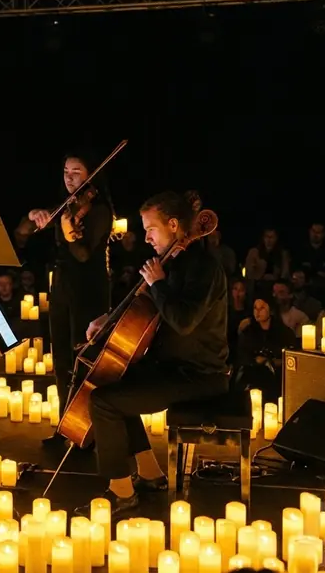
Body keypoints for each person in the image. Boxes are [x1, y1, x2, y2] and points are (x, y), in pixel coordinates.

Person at [75, 191, 230, 515]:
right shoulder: (174, 262)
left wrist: (158, 283)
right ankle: (150, 473)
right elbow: (145, 308)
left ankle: (120, 492)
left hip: (199, 375)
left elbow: (183, 321)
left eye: (151, 228)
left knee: (103, 403)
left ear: (173, 225)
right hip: (173, 367)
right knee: (115, 385)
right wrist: (109, 319)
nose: (145, 237)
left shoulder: (204, 268)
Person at [19, 152, 114, 446]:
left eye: (76, 171)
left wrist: (67, 229)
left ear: (90, 176)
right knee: (61, 358)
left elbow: (84, 254)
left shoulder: (98, 210)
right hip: (61, 287)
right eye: (65, 171)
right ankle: (64, 426)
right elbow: (22, 232)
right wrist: (34, 214)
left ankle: (87, 431)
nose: (69, 177)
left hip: (89, 289)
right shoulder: (65, 207)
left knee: (83, 360)